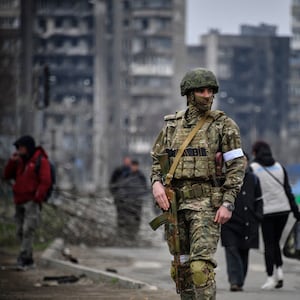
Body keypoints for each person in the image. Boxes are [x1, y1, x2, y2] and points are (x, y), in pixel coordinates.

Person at [150, 67, 245, 299]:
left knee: (199, 269)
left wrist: (228, 202)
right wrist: (156, 183)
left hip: (206, 204)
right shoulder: (172, 126)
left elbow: (237, 166)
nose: (207, 95)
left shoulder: (223, 125)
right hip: (175, 205)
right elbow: (157, 160)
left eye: (210, 90)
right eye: (201, 90)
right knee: (180, 268)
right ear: (189, 94)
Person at [250, 140, 300, 290]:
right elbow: (288, 190)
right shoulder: (279, 166)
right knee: (276, 242)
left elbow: (252, 193)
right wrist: (296, 212)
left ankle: (270, 277)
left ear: (254, 153)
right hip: (283, 210)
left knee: (269, 244)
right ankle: (280, 273)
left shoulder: (253, 168)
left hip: (266, 212)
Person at [3, 135, 51, 269]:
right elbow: (7, 175)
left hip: (32, 202)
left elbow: (45, 181)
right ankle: (27, 258)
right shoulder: (19, 162)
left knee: (28, 229)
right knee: (19, 230)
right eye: (18, 148)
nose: (19, 151)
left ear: (28, 148)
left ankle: (24, 258)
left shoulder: (41, 161)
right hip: (19, 201)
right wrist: (12, 162)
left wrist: (37, 197)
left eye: (22, 148)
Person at [221, 152, 263, 292]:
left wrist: (258, 216)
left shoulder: (254, 179)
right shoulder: (225, 178)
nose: (242, 163)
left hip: (248, 222)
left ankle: (239, 281)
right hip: (230, 222)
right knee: (232, 249)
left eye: (244, 160)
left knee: (244, 251)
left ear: (248, 162)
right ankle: (234, 281)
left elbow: (259, 200)